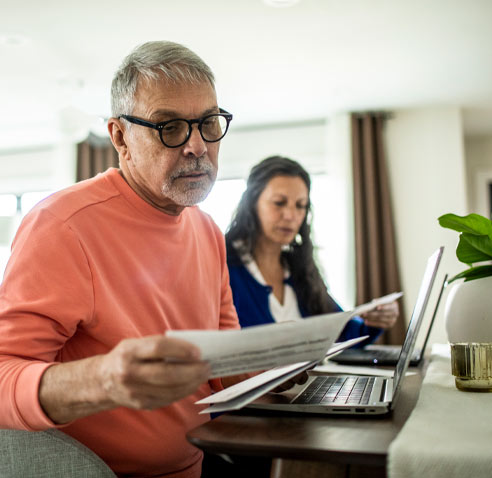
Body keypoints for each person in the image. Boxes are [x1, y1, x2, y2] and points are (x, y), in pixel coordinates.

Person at [0, 41, 240, 478]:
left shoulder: (207, 230)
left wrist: (300, 366)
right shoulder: (62, 226)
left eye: (208, 123)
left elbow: (223, 366)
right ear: (119, 137)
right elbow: (2, 376)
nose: (197, 146)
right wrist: (105, 380)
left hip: (201, 463)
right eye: (169, 127)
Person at [225, 156, 399, 344]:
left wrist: (376, 319)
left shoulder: (299, 268)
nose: (291, 215)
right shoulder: (224, 263)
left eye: (300, 206)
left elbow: (343, 331)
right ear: (252, 204)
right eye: (279, 202)